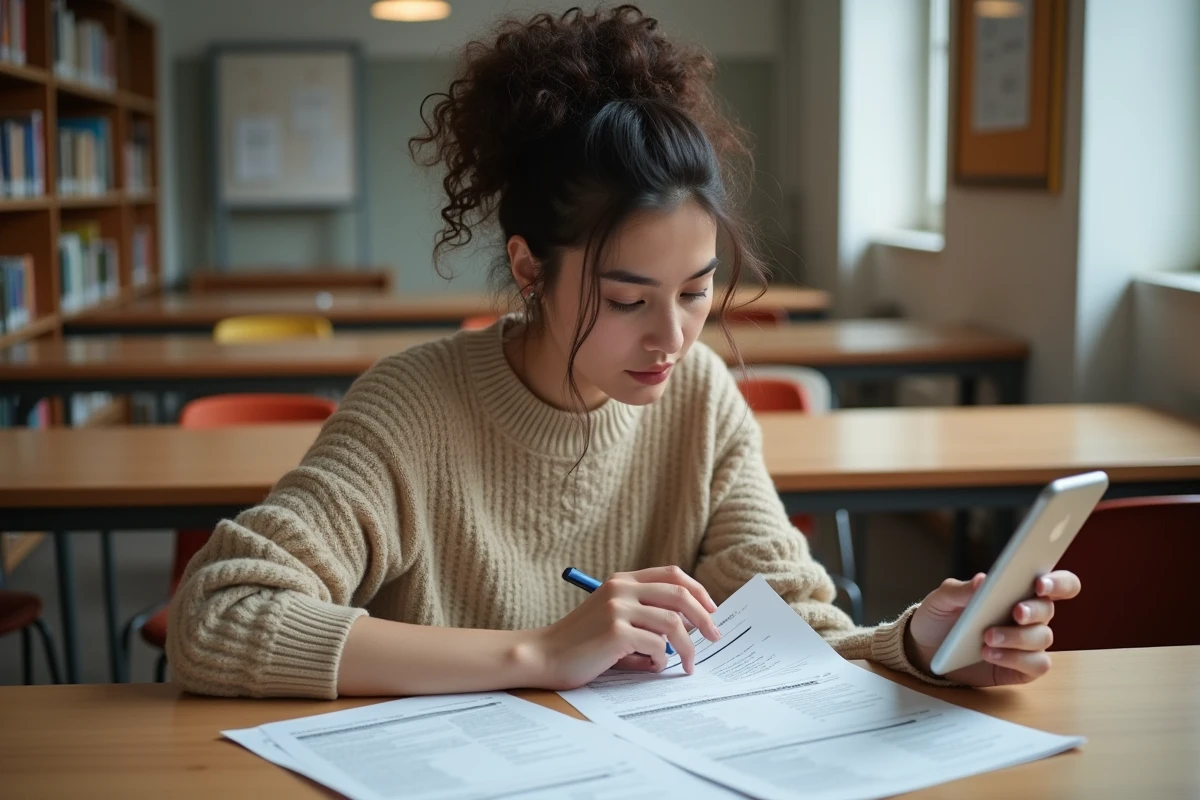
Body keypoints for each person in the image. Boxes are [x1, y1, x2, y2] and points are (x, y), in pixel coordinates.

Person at [167, 5, 1079, 698]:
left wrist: (920, 643)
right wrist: (541, 653)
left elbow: (789, 627)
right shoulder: (413, 408)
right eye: (627, 299)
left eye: (696, 291)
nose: (674, 338)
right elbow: (215, 619)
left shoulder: (703, 397)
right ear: (528, 268)